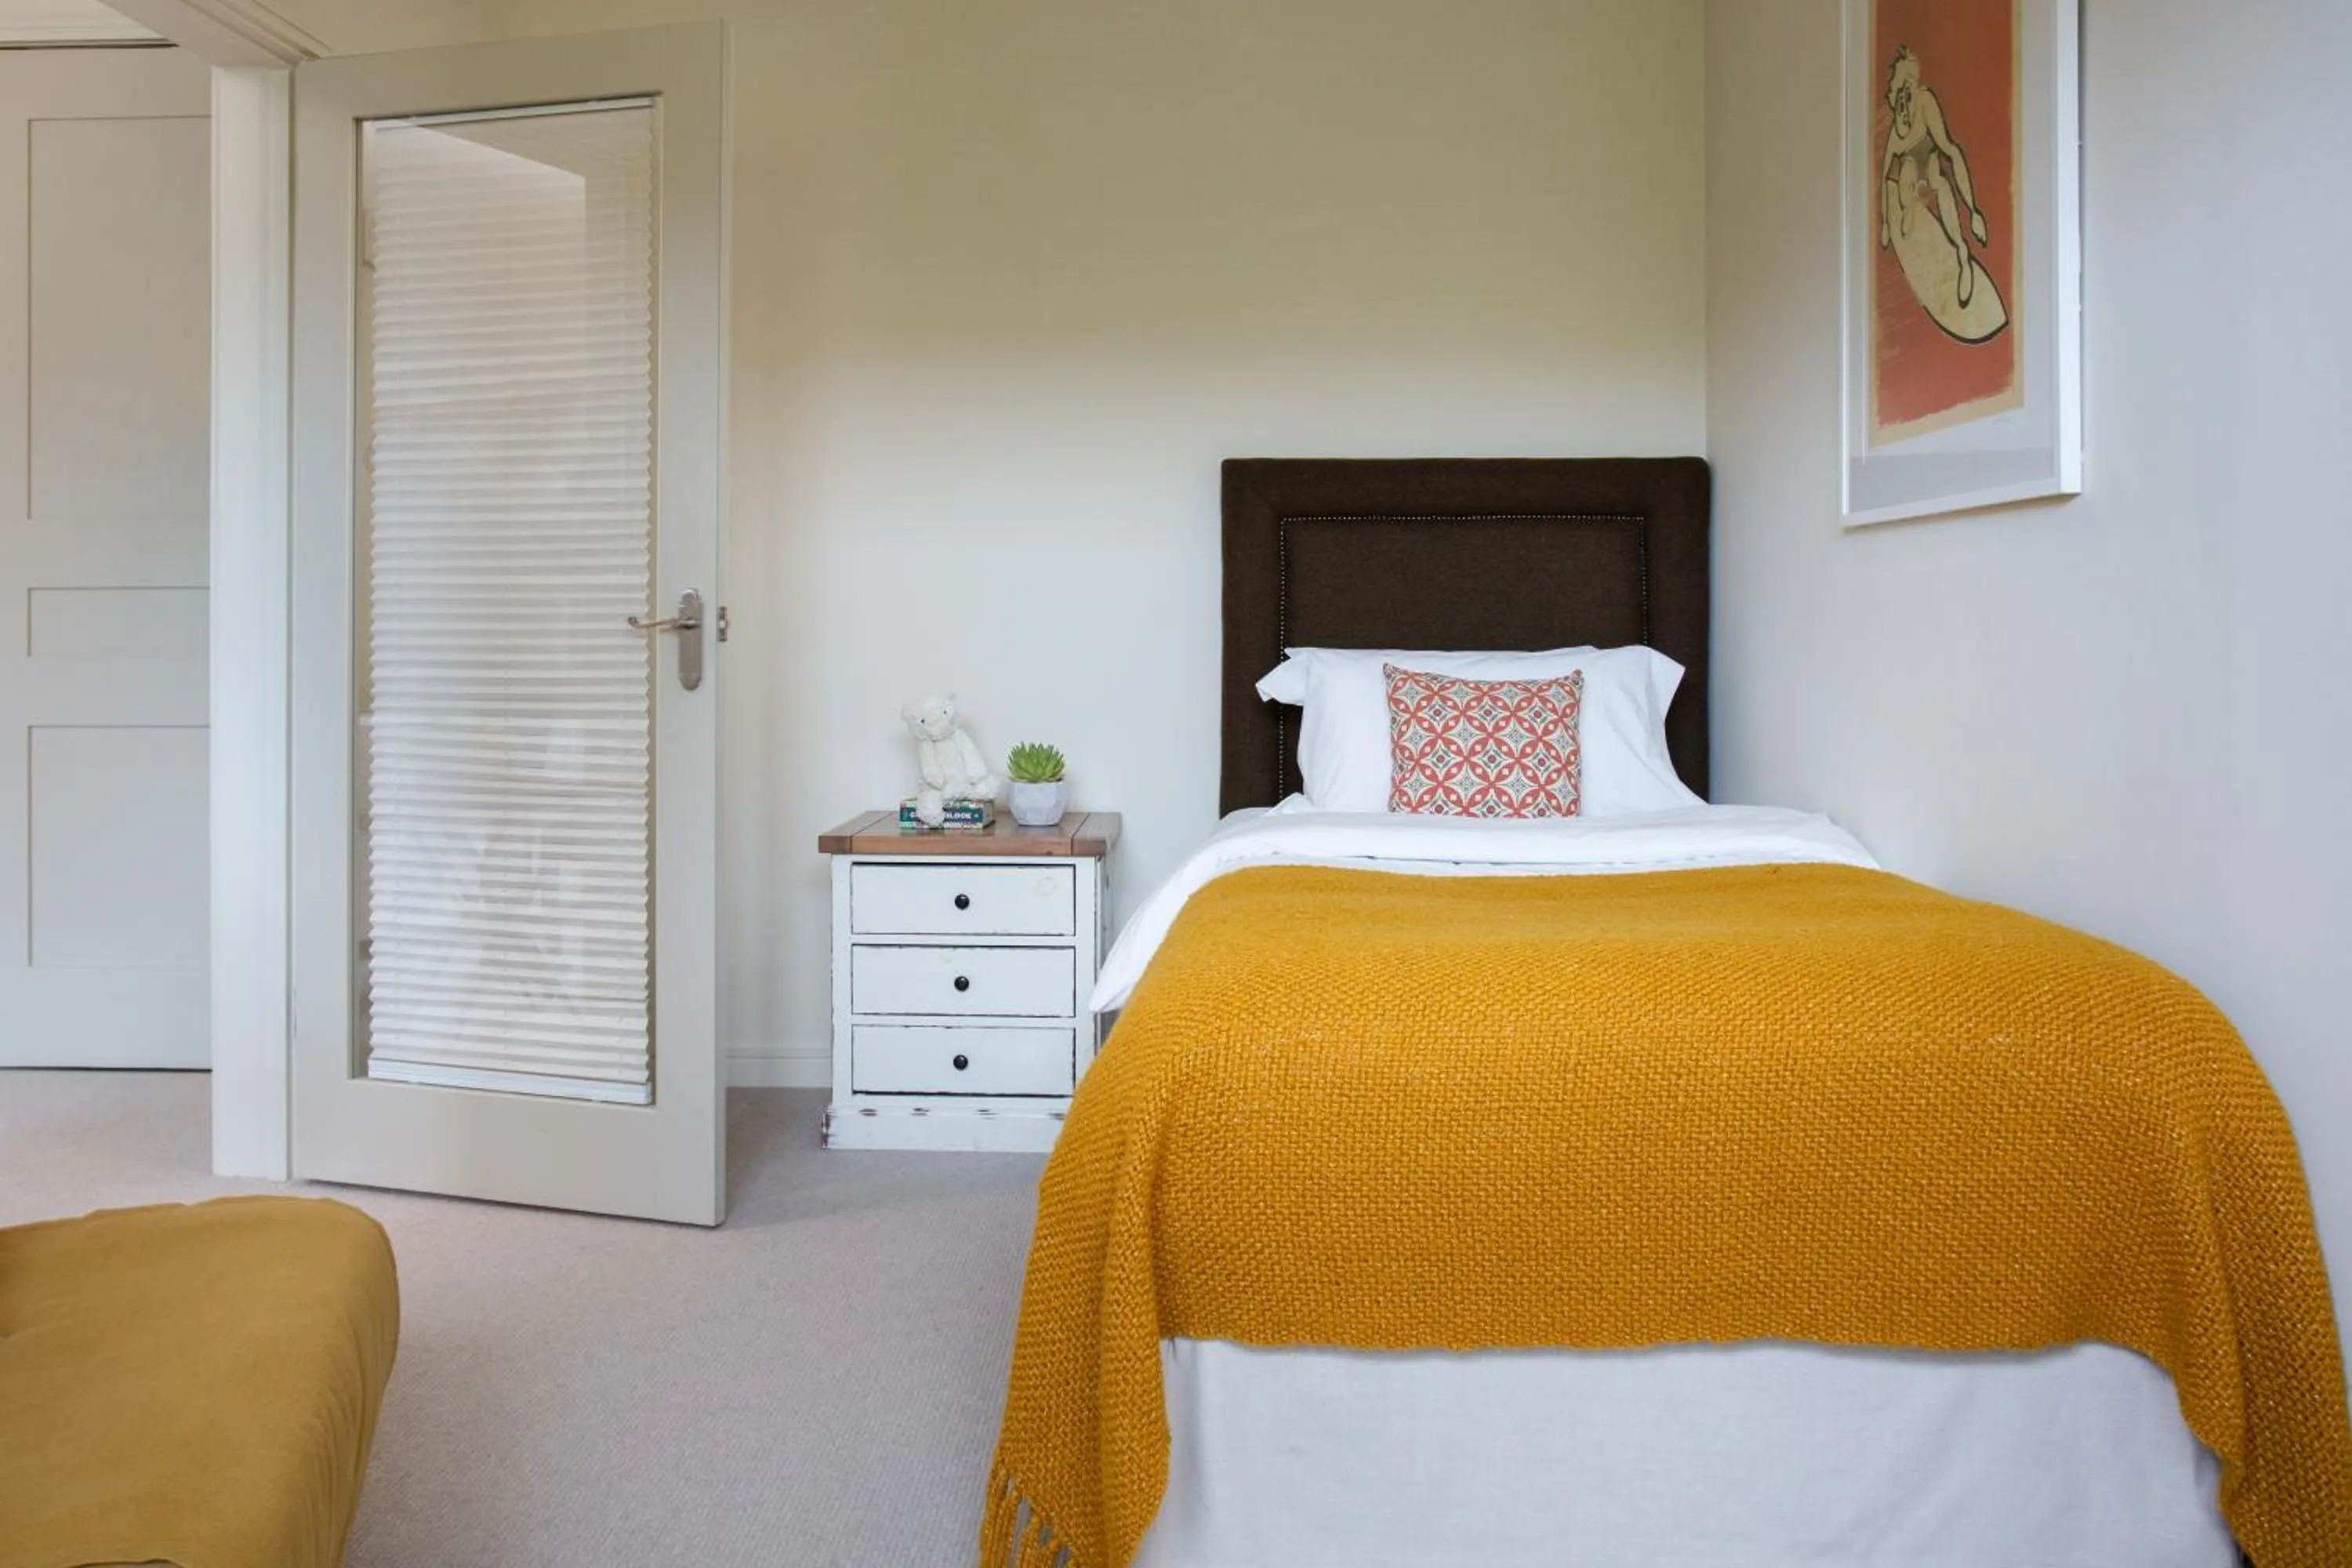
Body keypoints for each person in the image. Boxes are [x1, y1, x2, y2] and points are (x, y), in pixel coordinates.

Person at [1878, 45, 1990, 309]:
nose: (1896, 97)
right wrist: (1885, 223)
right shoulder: (1896, 136)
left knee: (1936, 179)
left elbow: (1950, 151)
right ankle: (1911, 215)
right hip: (1910, 181)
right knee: (1906, 173)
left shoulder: (1925, 103)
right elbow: (1884, 179)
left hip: (1931, 170)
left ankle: (1962, 253)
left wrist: (1973, 211)